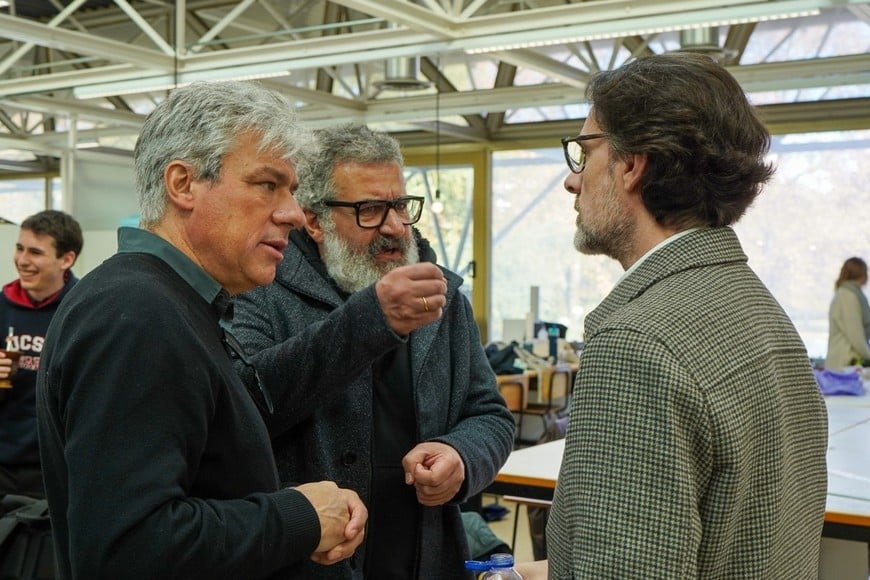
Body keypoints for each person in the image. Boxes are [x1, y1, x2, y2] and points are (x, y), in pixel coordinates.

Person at [35, 81, 367, 580]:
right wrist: (299, 519)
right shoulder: (138, 315)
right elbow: (126, 549)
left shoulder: (169, 304)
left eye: (293, 190)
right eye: (267, 184)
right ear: (183, 185)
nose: (294, 214)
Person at [515, 52, 828, 579]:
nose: (572, 181)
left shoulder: (637, 343)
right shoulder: (759, 310)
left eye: (583, 152)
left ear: (633, 165)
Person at [232, 123, 515, 579]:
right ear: (313, 219)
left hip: (423, 556)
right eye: (369, 209)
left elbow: (490, 414)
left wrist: (460, 456)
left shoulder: (442, 296)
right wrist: (370, 320)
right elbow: (246, 407)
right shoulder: (259, 291)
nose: (394, 226)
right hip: (309, 564)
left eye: (401, 205)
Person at [0, 210, 82, 502]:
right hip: (5, 466)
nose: (22, 261)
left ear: (66, 259)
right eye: (20, 248)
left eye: (35, 252)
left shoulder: (83, 311)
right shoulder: (2, 306)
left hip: (57, 471)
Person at [825, 257, 870, 369]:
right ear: (863, 274)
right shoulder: (848, 296)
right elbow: (855, 335)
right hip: (845, 363)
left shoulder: (848, 294)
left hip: (845, 363)